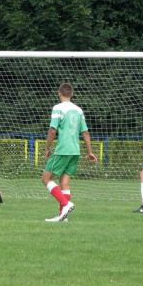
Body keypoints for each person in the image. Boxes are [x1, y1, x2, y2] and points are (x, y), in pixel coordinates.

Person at [42, 83, 97, 222]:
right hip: (75, 151)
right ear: (72, 94)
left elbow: (52, 130)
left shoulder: (58, 108)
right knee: (64, 181)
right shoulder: (78, 110)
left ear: (58, 93)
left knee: (46, 178)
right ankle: (63, 216)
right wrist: (89, 152)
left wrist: (47, 148)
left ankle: (66, 204)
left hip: (63, 149)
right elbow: (85, 132)